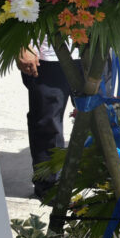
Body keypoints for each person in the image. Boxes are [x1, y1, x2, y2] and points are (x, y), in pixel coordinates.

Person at [15, 41, 78, 199]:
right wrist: (21, 45)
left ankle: (101, 180)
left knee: (100, 119)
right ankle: (49, 185)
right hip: (47, 57)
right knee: (47, 123)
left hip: (94, 50)